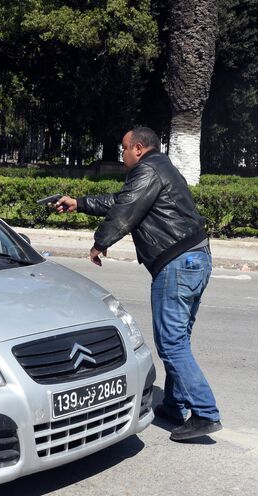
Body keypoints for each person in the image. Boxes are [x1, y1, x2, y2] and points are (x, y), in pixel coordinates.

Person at [53, 126, 221, 441]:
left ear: (139, 149)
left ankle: (205, 412)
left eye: (125, 148)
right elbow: (121, 201)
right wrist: (79, 202)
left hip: (177, 263)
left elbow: (125, 211)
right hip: (194, 259)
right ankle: (174, 404)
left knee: (171, 344)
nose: (123, 154)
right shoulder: (160, 168)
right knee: (179, 339)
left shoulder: (148, 170)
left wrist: (101, 242)